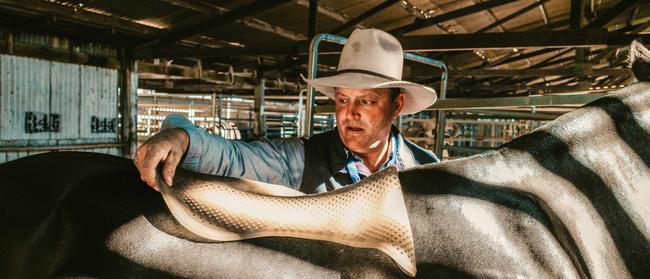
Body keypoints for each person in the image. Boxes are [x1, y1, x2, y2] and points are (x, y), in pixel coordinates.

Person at [134, 28, 440, 194]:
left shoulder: (428, 170)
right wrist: (182, 139)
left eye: (366, 101)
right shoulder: (303, 159)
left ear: (396, 105)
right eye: (343, 99)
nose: (350, 112)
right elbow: (237, 159)